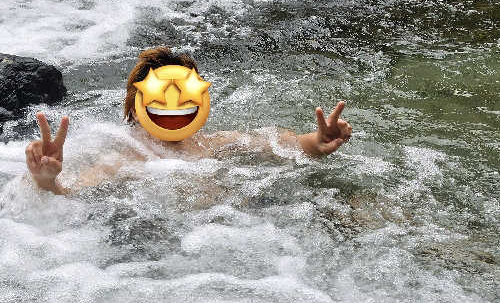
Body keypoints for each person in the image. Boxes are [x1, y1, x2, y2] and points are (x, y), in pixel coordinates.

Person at [25, 46, 352, 196]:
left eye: (184, 98)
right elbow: (73, 195)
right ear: (138, 106)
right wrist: (47, 181)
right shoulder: (125, 158)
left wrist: (318, 142)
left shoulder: (213, 143)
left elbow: (286, 144)